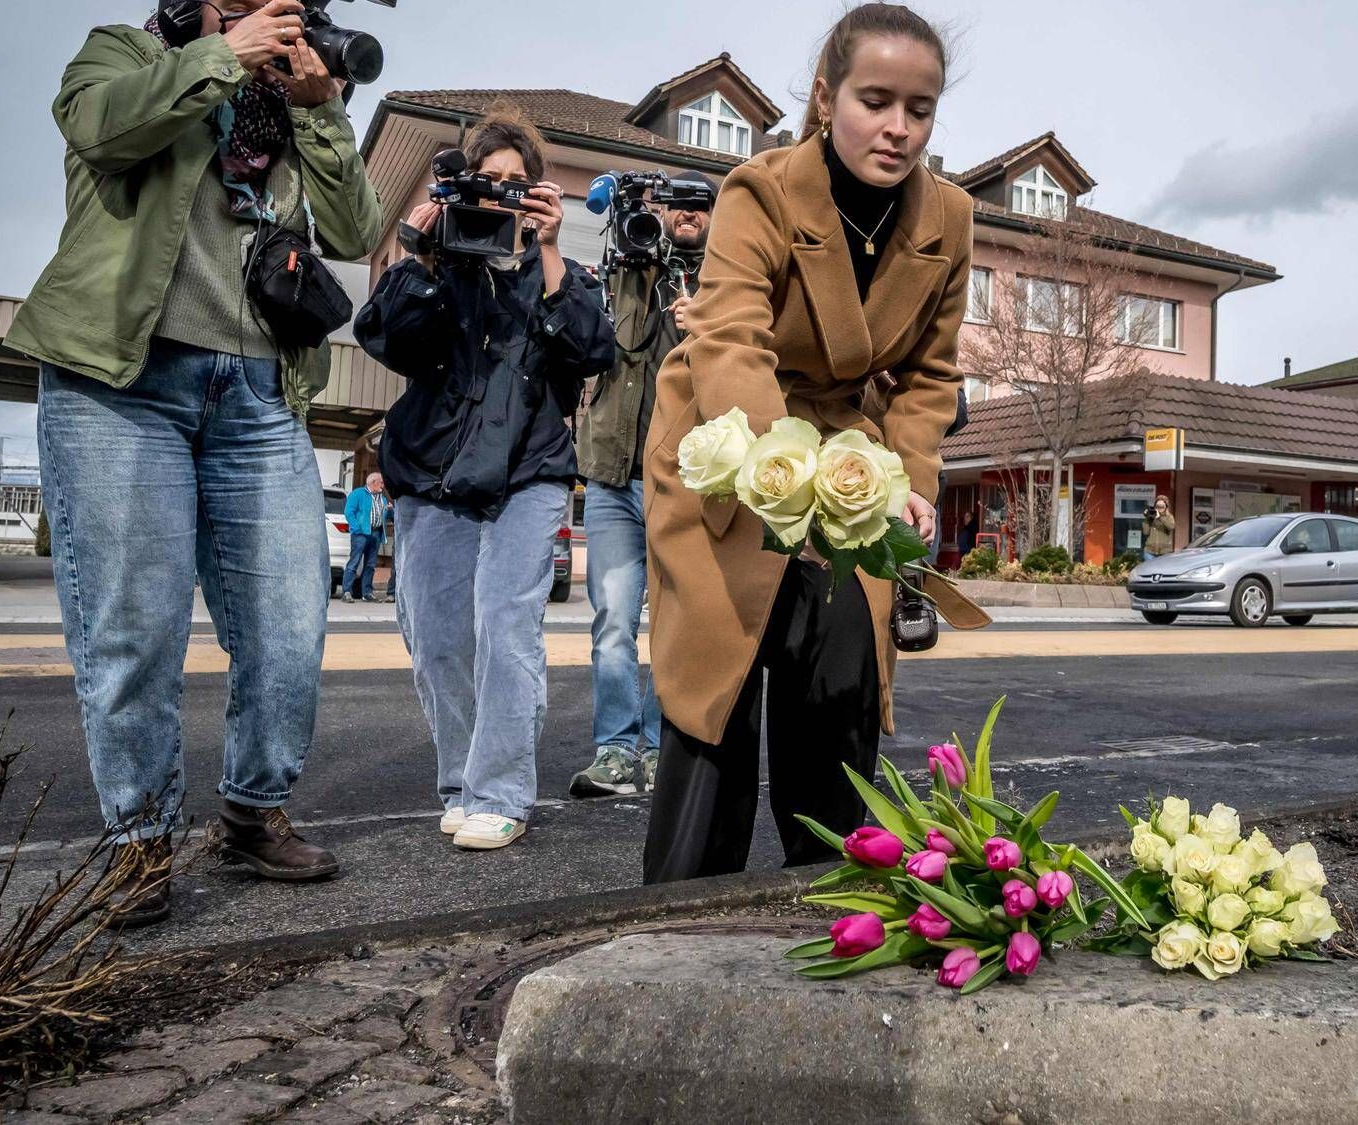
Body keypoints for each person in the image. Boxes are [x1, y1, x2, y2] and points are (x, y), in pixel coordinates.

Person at [3, 0, 384, 925]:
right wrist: (222, 54)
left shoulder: (285, 109)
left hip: (257, 392)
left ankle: (253, 811)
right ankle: (137, 843)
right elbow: (102, 130)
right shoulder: (124, 54)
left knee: (292, 623)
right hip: (123, 381)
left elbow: (355, 227)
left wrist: (321, 107)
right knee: (135, 626)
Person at [642, 2, 967, 882]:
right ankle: (668, 940)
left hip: (854, 450)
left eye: (920, 108)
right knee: (719, 688)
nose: (899, 129)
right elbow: (729, 343)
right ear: (826, 98)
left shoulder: (951, 219)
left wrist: (911, 478)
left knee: (839, 683)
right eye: (875, 99)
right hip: (726, 439)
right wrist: (794, 477)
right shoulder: (762, 188)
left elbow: (930, 378)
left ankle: (832, 914)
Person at [357, 105, 614, 851]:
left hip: (529, 470)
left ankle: (499, 789)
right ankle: (460, 782)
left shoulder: (558, 269)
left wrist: (553, 250)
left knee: (506, 630)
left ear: (538, 193)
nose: (500, 193)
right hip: (432, 467)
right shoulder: (442, 259)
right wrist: (421, 247)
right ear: (465, 182)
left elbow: (593, 348)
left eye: (517, 182)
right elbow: (384, 337)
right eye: (488, 179)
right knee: (438, 638)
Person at [568, 173, 718, 799]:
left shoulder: (723, 284)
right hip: (609, 474)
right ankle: (615, 752)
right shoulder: (624, 266)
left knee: (673, 624)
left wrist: (703, 326)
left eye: (698, 206)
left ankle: (661, 751)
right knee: (612, 621)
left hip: (679, 481)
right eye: (674, 205)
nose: (683, 215)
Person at [342, 472, 390, 602]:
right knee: (354, 562)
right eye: (381, 482)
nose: (383, 485)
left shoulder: (382, 497)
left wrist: (389, 510)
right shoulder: (358, 494)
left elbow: (385, 514)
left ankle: (367, 592)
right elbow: (349, 512)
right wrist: (356, 528)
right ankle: (347, 592)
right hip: (360, 534)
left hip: (375, 534)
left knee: (370, 565)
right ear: (373, 482)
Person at [1142, 495, 1176, 561]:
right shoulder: (1151, 516)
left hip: (1164, 552)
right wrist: (1147, 518)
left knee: (1163, 571)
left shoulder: (1169, 517)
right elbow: (1145, 532)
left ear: (1166, 507)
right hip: (1150, 551)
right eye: (1158, 506)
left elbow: (1171, 527)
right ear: (1155, 506)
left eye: (1162, 506)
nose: (1160, 508)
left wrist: (1159, 518)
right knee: (1150, 570)